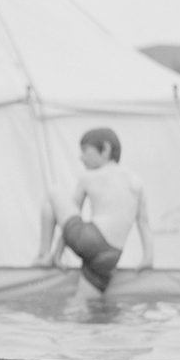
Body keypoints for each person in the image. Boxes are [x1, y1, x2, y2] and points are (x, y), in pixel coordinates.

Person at [31, 127, 153, 296]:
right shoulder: (136, 181)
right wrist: (148, 259)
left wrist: (57, 255)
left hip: (90, 240)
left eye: (85, 151)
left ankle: (44, 255)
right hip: (111, 255)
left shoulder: (89, 177)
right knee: (82, 304)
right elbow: (144, 223)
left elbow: (70, 220)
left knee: (53, 193)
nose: (81, 157)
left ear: (105, 149)